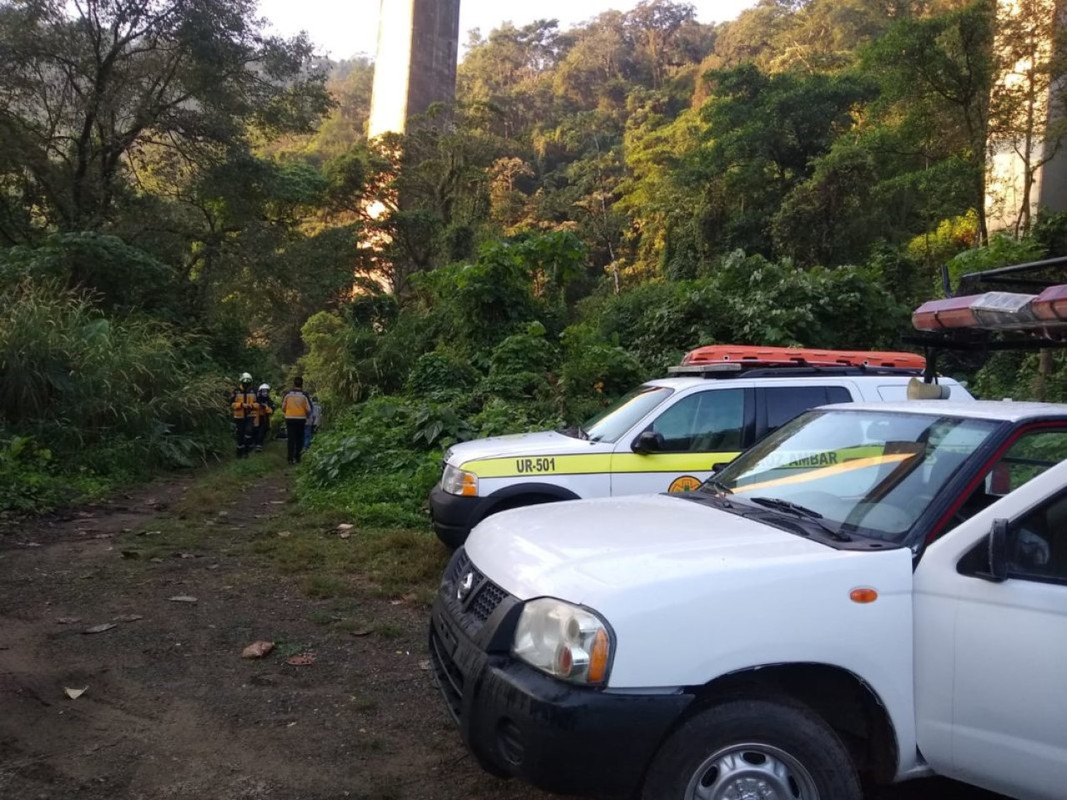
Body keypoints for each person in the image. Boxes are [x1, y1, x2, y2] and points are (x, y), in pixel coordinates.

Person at [280, 376, 313, 465]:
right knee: (299, 439)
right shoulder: (304, 395)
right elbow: (309, 409)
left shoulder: (287, 394)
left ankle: (290, 459)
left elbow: (283, 407)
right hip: (301, 419)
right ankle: (298, 458)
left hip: (290, 418)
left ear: (294, 383)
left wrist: (288, 412)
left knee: (291, 439)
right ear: (302, 384)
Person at [229, 372, 258, 458]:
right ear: (241, 381)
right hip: (239, 416)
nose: (246, 383)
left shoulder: (254, 391)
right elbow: (232, 404)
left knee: (248, 432)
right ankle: (239, 453)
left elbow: (258, 404)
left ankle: (246, 451)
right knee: (240, 434)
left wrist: (251, 405)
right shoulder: (236, 391)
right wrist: (241, 405)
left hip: (250, 416)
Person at [252, 383, 275, 452]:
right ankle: (255, 443)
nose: (265, 393)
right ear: (260, 391)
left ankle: (259, 445)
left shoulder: (269, 401)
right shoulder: (256, 399)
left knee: (263, 431)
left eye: (266, 391)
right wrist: (258, 405)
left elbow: (271, 410)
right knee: (256, 431)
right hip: (256, 418)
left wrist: (266, 407)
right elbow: (252, 406)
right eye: (263, 391)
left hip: (265, 418)